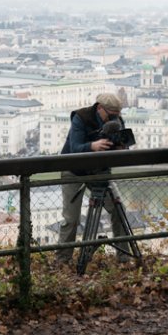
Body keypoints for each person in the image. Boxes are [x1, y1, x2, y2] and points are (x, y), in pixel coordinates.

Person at [56, 92, 131, 266]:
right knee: (71, 218)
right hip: (73, 171)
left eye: (116, 115)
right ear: (99, 108)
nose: (113, 118)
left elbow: (123, 144)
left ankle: (124, 257)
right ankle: (62, 260)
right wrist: (92, 146)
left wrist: (121, 148)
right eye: (111, 114)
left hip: (99, 171)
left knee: (119, 211)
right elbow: (75, 148)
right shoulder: (81, 118)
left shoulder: (116, 121)